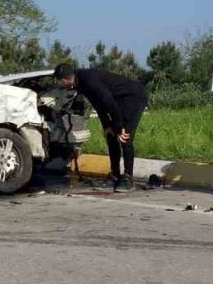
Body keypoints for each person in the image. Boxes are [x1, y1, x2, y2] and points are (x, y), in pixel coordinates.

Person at [55, 62, 148, 192]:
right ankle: (115, 175)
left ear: (64, 80)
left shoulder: (89, 80)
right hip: (117, 100)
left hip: (133, 97)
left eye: (61, 82)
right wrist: (106, 125)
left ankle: (128, 178)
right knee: (110, 135)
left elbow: (109, 102)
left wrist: (119, 126)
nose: (62, 84)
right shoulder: (79, 83)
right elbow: (97, 104)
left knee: (125, 136)